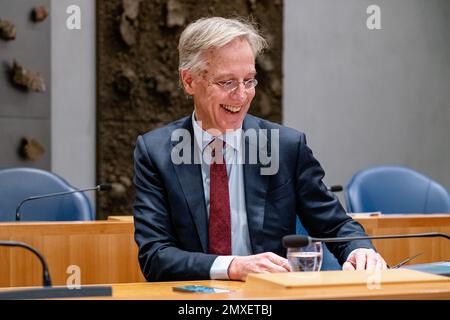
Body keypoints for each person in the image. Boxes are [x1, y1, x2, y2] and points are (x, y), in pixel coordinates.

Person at [133, 16, 387, 282]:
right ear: (189, 81)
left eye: (249, 80)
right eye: (227, 82)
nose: (242, 96)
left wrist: (359, 249)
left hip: (270, 296)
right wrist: (232, 267)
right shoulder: (156, 153)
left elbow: (335, 224)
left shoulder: (286, 146)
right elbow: (155, 256)